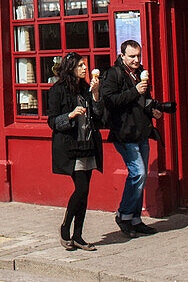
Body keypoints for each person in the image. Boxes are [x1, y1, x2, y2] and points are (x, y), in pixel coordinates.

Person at [101, 40, 176, 238]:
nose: (136, 60)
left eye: (138, 56)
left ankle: (135, 219)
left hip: (141, 131)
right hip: (123, 133)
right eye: (132, 56)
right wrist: (135, 91)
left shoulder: (140, 74)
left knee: (139, 177)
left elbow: (144, 101)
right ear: (122, 56)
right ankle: (123, 214)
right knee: (139, 173)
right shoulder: (113, 74)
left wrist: (154, 111)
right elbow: (110, 101)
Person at [47, 53, 104, 252]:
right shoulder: (57, 90)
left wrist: (96, 95)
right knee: (81, 189)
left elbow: (99, 116)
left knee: (85, 191)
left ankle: (78, 235)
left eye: (85, 65)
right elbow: (52, 122)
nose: (84, 68)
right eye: (80, 65)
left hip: (87, 144)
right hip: (71, 146)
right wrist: (70, 115)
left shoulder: (85, 88)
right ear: (70, 67)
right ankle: (65, 228)